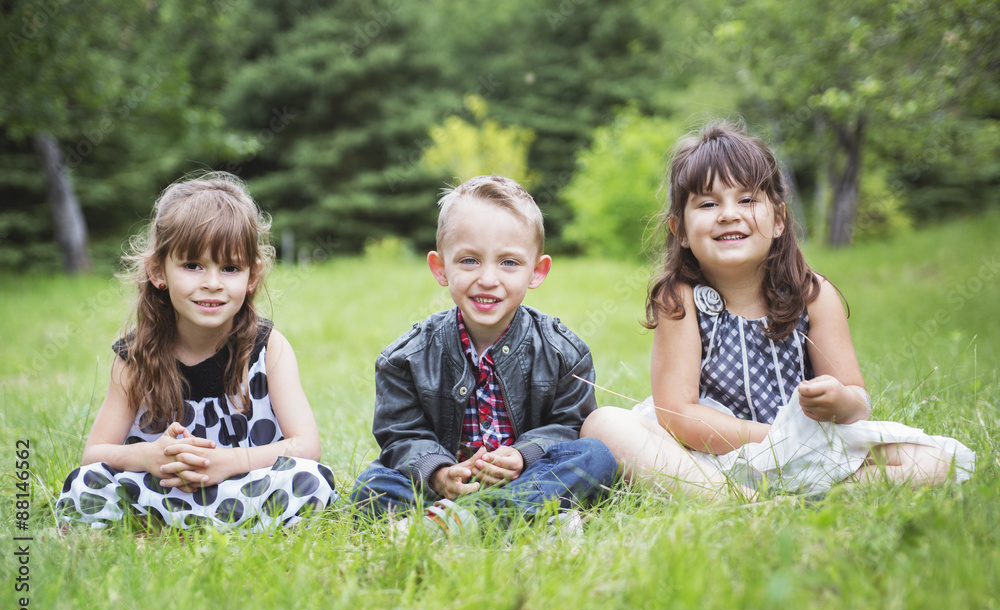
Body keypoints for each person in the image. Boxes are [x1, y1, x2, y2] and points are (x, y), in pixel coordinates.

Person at [581, 121, 975, 500]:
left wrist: (839, 400)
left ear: (779, 221)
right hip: (710, 458)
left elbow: (857, 400)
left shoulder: (812, 294)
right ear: (680, 230)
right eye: (708, 203)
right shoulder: (681, 300)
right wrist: (776, 441)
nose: (728, 213)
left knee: (937, 462)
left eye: (747, 199)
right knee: (605, 425)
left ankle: (819, 497)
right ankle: (738, 500)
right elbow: (678, 415)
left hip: (809, 453)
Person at [56, 172, 337, 532]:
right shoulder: (135, 358)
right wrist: (148, 456)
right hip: (161, 492)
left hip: (243, 488)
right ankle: (159, 526)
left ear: (252, 277)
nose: (212, 283)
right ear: (158, 270)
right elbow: (94, 455)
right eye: (192, 266)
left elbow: (307, 446)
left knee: (311, 479)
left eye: (230, 268)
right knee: (85, 483)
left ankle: (189, 529)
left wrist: (227, 462)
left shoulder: (268, 348)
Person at [350, 174, 617, 535]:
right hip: (446, 487)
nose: (488, 278)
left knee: (595, 456)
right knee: (372, 486)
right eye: (469, 260)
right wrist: (439, 472)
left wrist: (524, 454)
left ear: (537, 272)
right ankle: (522, 520)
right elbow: (401, 436)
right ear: (440, 268)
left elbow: (570, 426)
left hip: (528, 478)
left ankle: (473, 519)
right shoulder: (405, 359)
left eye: (509, 263)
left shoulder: (563, 352)